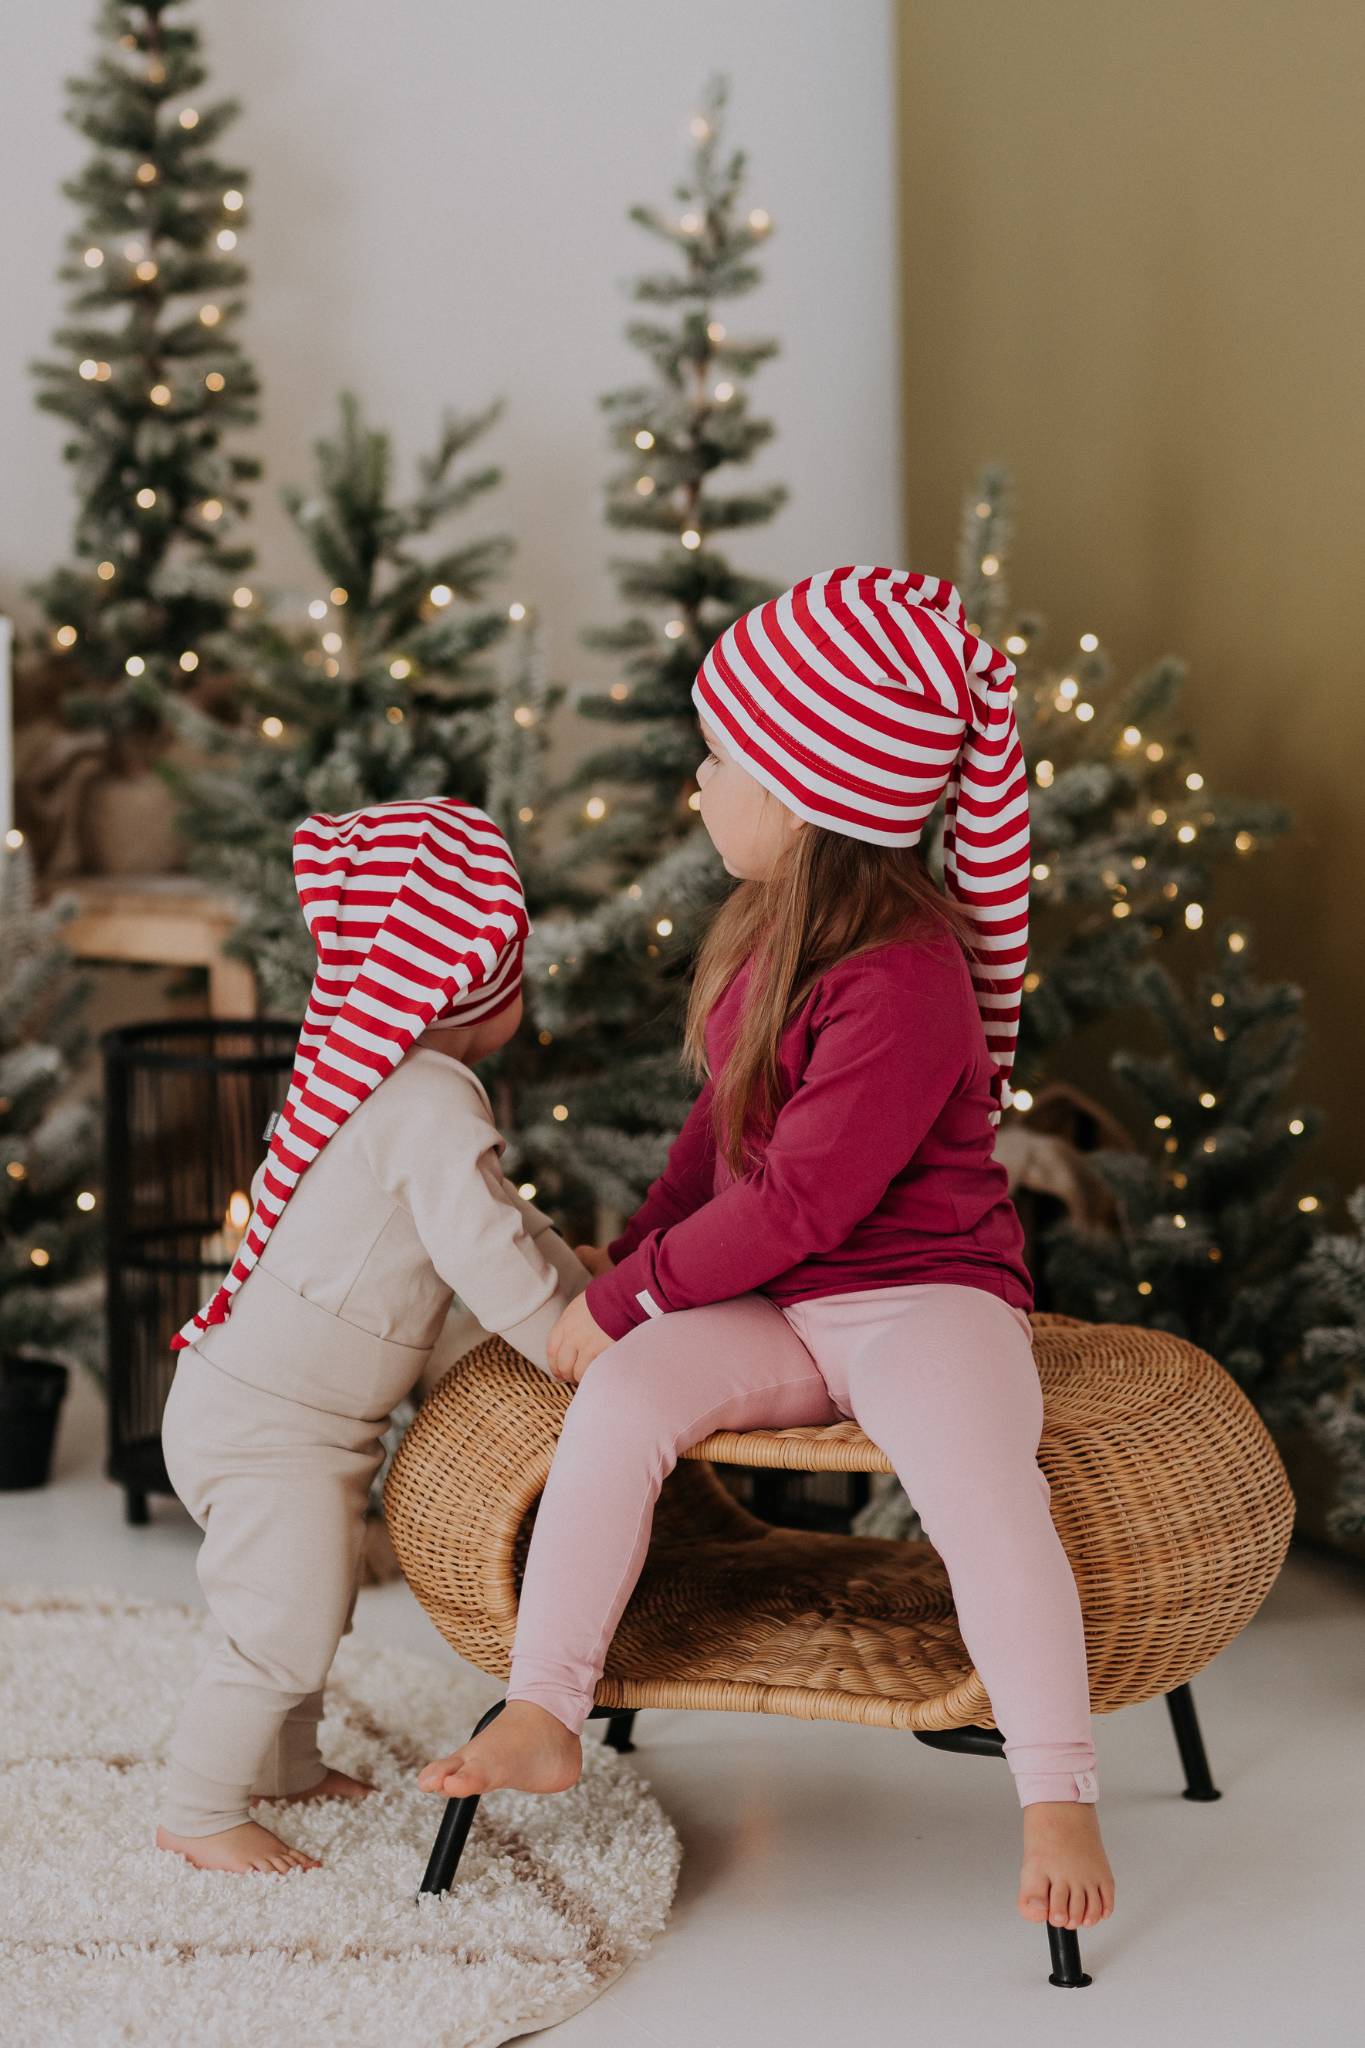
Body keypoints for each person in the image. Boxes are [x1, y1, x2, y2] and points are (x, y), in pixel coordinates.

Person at [416, 566, 1116, 1935]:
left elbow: (801, 1199)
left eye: (717, 759)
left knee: (978, 1483)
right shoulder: (766, 941)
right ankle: (547, 1701)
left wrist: (628, 1295)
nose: (698, 786)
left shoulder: (908, 978)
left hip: (922, 1298)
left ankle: (1056, 1782)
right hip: (784, 1302)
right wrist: (634, 1270)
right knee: (619, 1402)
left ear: (808, 791)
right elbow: (718, 1146)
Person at [155, 797, 589, 1875]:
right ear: (475, 978)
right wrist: (568, 1340)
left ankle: (286, 1761)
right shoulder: (429, 1098)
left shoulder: (389, 1079)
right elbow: (488, 1255)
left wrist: (596, 1294)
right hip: (267, 1423)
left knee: (314, 1596)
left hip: (284, 1414)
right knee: (283, 1619)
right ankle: (198, 1804)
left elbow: (511, 1220)